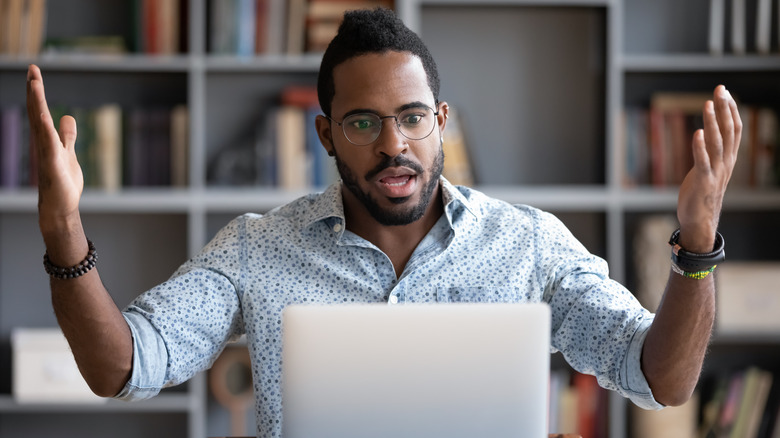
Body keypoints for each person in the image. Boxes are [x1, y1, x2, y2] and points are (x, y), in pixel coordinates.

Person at [26, 8, 740, 438]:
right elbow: (123, 366)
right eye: (363, 122)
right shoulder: (254, 249)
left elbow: (660, 378)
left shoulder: (529, 245)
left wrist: (699, 247)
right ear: (327, 134)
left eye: (412, 118)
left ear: (441, 124)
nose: (393, 143)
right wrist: (64, 232)